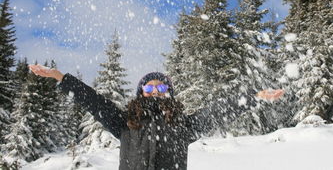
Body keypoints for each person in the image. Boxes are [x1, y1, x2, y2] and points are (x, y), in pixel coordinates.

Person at [29, 64, 284, 170]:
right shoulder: (125, 123)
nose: (154, 91)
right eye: (149, 87)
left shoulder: (182, 126)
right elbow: (94, 102)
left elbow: (216, 113)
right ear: (141, 92)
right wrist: (60, 77)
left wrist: (254, 96)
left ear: (168, 94)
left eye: (161, 88)